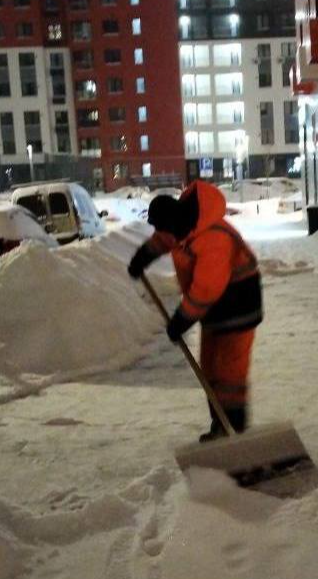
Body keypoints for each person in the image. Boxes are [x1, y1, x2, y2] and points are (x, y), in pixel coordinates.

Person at [128, 181, 262, 442]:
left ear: (174, 222)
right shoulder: (181, 224)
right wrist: (142, 257)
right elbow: (162, 240)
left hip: (239, 305)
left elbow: (206, 289)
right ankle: (220, 426)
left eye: (161, 228)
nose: (160, 233)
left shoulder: (213, 237)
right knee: (210, 369)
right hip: (214, 312)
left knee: (230, 374)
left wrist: (181, 319)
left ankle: (235, 431)